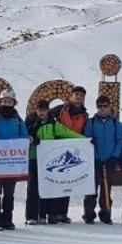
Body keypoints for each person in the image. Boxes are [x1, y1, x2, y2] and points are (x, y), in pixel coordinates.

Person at [28, 99, 83, 224]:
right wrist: (31, 138)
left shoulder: (53, 123)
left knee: (49, 187)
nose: (42, 113)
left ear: (48, 110)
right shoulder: (31, 121)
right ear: (36, 110)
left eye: (44, 110)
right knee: (33, 188)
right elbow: (24, 134)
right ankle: (32, 215)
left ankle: (47, 214)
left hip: (49, 159)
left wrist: (85, 139)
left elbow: (67, 133)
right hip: (34, 158)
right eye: (40, 110)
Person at [48, 85, 89, 223]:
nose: (78, 97)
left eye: (81, 95)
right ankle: (52, 213)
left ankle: (62, 213)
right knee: (56, 183)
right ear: (71, 96)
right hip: (56, 150)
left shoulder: (84, 115)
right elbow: (46, 121)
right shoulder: (59, 110)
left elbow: (84, 131)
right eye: (76, 94)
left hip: (73, 151)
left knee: (67, 183)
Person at [0, 89, 26, 230]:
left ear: (14, 103)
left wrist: (27, 139)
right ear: (0, 102)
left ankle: (8, 219)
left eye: (9, 101)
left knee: (9, 192)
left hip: (12, 161)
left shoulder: (17, 119)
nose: (7, 103)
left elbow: (24, 136)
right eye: (4, 101)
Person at [84, 95, 122, 225]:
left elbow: (119, 140)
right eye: (99, 106)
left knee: (107, 188)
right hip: (95, 160)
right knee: (91, 188)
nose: (102, 109)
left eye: (105, 106)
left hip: (110, 159)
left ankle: (105, 212)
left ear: (109, 107)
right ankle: (89, 213)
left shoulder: (114, 122)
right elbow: (87, 140)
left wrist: (114, 156)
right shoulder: (92, 122)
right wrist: (94, 156)